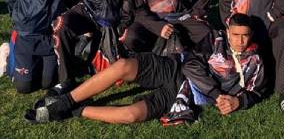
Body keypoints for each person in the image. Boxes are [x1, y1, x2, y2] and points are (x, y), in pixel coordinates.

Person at [27, 13, 265, 126]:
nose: (240, 41)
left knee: (132, 115)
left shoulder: (256, 60)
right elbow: (191, 63)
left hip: (185, 93)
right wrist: (215, 95)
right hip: (175, 68)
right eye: (236, 35)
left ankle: (74, 111)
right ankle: (66, 101)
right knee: (123, 66)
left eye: (245, 36)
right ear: (228, 31)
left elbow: (256, 91)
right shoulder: (216, 39)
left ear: (251, 36)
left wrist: (237, 102)